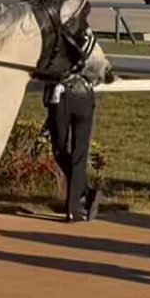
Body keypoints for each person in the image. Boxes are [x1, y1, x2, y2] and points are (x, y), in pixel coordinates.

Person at [44, 71, 101, 223]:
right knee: (62, 150)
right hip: (70, 98)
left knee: (74, 154)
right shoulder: (92, 50)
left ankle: (73, 209)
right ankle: (86, 193)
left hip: (73, 97)